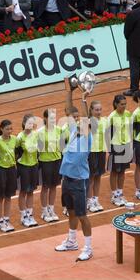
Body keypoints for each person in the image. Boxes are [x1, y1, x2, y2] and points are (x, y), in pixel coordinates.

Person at [55, 77, 93, 261]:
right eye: (75, 118)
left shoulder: (86, 137)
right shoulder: (71, 131)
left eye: (79, 119)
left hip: (79, 181)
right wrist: (69, 90)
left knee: (82, 215)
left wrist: (84, 99)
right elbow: (68, 109)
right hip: (66, 179)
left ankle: (88, 247)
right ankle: (72, 241)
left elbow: (84, 118)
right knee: (70, 211)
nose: (76, 119)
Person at [37, 109, 62, 223]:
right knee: (45, 186)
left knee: (54, 186)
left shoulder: (58, 130)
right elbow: (39, 149)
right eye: (51, 118)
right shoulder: (40, 132)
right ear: (45, 118)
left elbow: (61, 147)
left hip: (57, 160)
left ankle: (51, 209)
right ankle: (44, 211)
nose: (53, 120)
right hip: (45, 161)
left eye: (54, 118)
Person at [107, 94, 132, 207]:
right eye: (122, 104)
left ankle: (120, 193)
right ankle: (114, 195)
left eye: (125, 104)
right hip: (115, 146)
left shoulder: (128, 114)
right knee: (114, 171)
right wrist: (109, 149)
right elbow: (107, 133)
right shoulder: (111, 117)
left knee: (122, 171)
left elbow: (130, 130)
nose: (124, 106)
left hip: (126, 144)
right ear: (116, 104)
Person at [16, 114, 39, 227]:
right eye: (29, 123)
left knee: (31, 191)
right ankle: (23, 216)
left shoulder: (36, 135)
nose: (31, 125)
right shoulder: (20, 137)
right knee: (23, 191)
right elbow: (16, 153)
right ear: (24, 123)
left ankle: (29, 214)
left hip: (33, 165)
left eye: (32, 123)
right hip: (23, 166)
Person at [0, 120, 18, 232]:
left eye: (10, 129)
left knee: (8, 196)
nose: (9, 131)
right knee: (1, 196)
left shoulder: (14, 139)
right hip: (1, 170)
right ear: (1, 129)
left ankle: (7, 220)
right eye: (7, 129)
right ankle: (0, 221)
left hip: (11, 169)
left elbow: (17, 152)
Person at [86, 99, 106, 212]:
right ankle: (89, 201)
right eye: (96, 110)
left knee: (98, 176)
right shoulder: (88, 121)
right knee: (91, 177)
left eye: (100, 109)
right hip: (91, 152)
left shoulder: (104, 121)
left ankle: (95, 199)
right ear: (91, 110)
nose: (99, 112)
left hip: (101, 151)